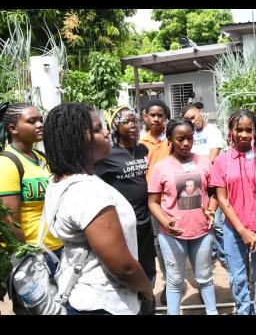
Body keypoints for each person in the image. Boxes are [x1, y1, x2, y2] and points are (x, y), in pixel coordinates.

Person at [42, 102, 153, 315]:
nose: (106, 133)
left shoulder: (60, 181)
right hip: (103, 303)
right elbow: (123, 267)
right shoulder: (88, 192)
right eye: (96, 129)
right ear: (79, 139)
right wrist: (146, 288)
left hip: (82, 295)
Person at [210, 109, 256, 315]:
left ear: (255, 131)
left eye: (249, 129)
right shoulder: (222, 161)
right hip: (233, 229)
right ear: (230, 130)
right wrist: (241, 230)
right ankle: (242, 311)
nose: (244, 134)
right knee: (238, 278)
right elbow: (221, 198)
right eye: (239, 129)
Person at [147, 117, 218, 315]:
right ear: (169, 139)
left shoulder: (203, 162)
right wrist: (165, 222)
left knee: (204, 277)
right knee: (175, 280)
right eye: (180, 139)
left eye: (189, 138)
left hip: (202, 232)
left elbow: (214, 193)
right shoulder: (161, 167)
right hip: (171, 235)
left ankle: (212, 312)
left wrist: (211, 210)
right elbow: (152, 202)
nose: (186, 143)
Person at [92, 106, 156, 315]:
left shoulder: (142, 150)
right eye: (126, 122)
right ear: (115, 127)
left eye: (134, 121)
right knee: (128, 270)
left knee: (148, 269)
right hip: (124, 225)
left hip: (146, 222)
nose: (132, 125)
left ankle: (148, 308)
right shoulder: (107, 156)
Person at [0, 102, 63, 277]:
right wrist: (25, 259)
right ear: (13, 128)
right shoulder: (7, 164)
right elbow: (10, 221)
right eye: (32, 121)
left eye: (41, 120)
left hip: (56, 249)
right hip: (34, 255)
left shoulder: (41, 158)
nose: (40, 124)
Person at [181, 102, 226, 268]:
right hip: (194, 184)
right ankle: (211, 254)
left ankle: (225, 257)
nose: (193, 121)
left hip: (213, 184)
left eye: (193, 116)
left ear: (199, 112)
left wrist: (195, 163)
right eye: (188, 120)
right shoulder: (188, 135)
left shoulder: (212, 131)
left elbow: (213, 157)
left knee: (218, 223)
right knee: (202, 221)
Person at [139, 99, 170, 303]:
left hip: (173, 199)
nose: (157, 119)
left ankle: (172, 282)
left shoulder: (172, 139)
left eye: (160, 115)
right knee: (157, 241)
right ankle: (165, 282)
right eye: (153, 115)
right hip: (151, 201)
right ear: (145, 117)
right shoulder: (140, 145)